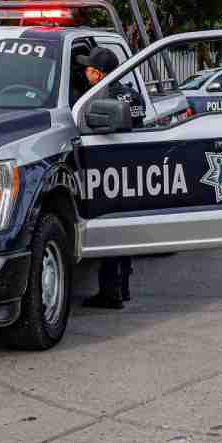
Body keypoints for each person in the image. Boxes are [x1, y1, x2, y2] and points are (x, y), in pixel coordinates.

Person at [75, 47, 145, 309]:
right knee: (124, 231)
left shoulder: (97, 98)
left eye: (88, 69)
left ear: (98, 73)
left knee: (110, 231)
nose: (85, 73)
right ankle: (122, 287)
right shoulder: (135, 97)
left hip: (109, 168)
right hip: (134, 167)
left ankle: (111, 292)